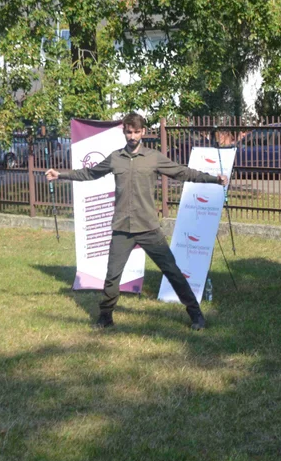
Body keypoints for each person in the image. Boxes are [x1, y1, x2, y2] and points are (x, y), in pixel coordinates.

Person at [45, 112, 228, 330]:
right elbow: (90, 173)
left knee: (173, 272)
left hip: (148, 227)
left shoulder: (153, 157)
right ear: (124, 132)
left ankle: (196, 315)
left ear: (143, 132)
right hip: (122, 228)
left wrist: (213, 179)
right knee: (112, 277)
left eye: (136, 132)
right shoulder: (115, 158)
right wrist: (61, 175)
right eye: (128, 132)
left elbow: (182, 172)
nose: (132, 136)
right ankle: (105, 317)